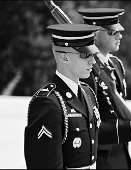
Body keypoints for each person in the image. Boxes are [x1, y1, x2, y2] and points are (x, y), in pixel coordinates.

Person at [24, 23, 102, 169]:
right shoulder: (48, 103)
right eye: (85, 55)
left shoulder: (88, 93)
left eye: (92, 54)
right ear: (64, 57)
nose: (92, 60)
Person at [78, 8, 131, 169]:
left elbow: (118, 107)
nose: (120, 35)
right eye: (112, 32)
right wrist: (125, 130)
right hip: (99, 158)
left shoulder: (116, 64)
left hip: (120, 153)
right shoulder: (85, 70)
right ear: (94, 33)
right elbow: (84, 124)